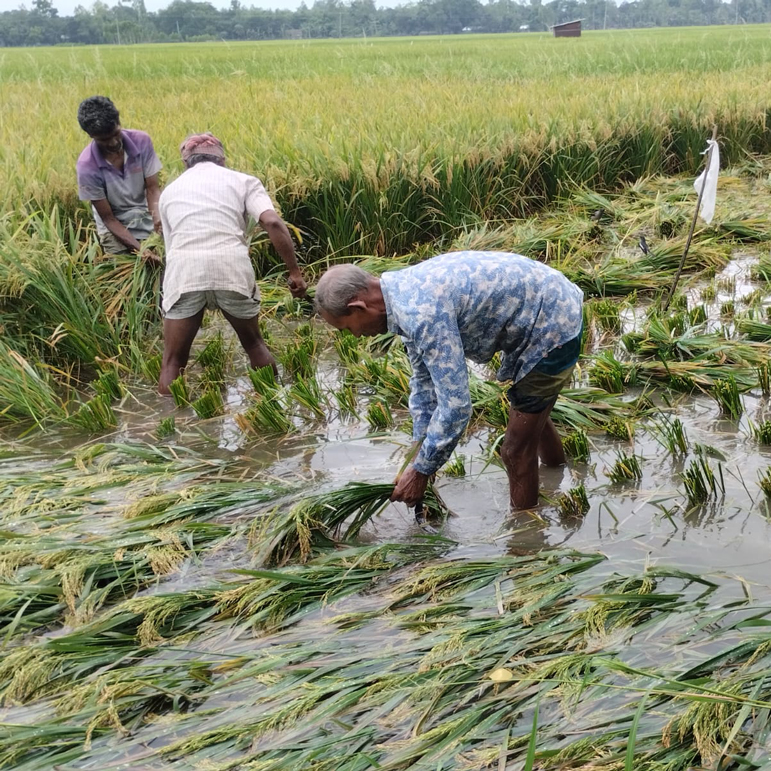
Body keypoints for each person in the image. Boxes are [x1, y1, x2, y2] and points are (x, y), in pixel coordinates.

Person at [314, 251, 584, 510]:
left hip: (553, 323)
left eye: (347, 328)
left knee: (514, 451)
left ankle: (526, 542)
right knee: (530, 416)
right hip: (548, 303)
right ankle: (555, 477)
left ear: (358, 307)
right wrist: (420, 450)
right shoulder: (401, 293)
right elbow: (424, 384)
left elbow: (456, 407)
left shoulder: (421, 313)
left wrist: (422, 471)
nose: (356, 337)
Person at [157, 133, 307, 395]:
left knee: (173, 361)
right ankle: (272, 404)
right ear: (222, 160)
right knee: (254, 345)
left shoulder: (169, 192)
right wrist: (294, 272)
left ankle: (172, 427)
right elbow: (272, 222)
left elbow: (170, 244)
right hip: (231, 267)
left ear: (185, 163)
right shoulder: (243, 181)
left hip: (184, 272)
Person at [76, 96, 162, 258]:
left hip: (146, 216)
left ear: (119, 122)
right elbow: (108, 218)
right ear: (90, 135)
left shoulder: (142, 141)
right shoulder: (87, 166)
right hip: (115, 228)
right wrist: (140, 251)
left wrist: (157, 220)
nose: (113, 143)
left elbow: (152, 188)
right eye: (104, 140)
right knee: (126, 276)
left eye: (116, 134)